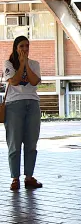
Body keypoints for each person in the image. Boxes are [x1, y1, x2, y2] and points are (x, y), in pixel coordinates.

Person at [5, 36, 42, 192]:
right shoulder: (8, 64)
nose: (25, 49)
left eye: (27, 46)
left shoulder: (35, 64)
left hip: (32, 104)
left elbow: (34, 82)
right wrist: (21, 65)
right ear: (15, 47)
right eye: (21, 46)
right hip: (14, 106)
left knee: (31, 143)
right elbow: (14, 81)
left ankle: (29, 176)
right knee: (14, 143)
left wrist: (27, 64)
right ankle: (15, 178)